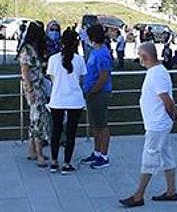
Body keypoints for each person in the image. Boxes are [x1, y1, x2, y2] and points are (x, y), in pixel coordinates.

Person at [120, 42, 177, 208]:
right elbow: (167, 100)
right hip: (158, 123)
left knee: (149, 157)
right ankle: (171, 191)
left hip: (157, 125)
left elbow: (166, 100)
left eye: (139, 55)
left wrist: (173, 115)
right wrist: (174, 114)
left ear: (144, 57)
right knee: (166, 155)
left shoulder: (156, 74)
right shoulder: (157, 71)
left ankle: (138, 195)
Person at [47, 29, 87, 174]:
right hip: (75, 100)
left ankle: (53, 162)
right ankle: (67, 163)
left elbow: (52, 79)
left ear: (61, 42)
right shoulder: (79, 60)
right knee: (71, 133)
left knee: (56, 132)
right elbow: (81, 80)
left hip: (57, 99)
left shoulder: (53, 59)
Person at [19, 21, 52, 166]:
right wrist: (30, 90)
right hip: (34, 89)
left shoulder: (32, 49)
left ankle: (32, 151)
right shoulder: (27, 50)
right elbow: (25, 71)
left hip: (37, 87)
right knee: (38, 120)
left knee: (34, 120)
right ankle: (39, 154)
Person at [82, 24, 113, 168]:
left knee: (102, 125)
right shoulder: (95, 51)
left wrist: (92, 91)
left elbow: (103, 77)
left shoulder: (102, 54)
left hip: (99, 93)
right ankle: (97, 151)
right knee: (95, 125)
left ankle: (104, 155)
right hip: (92, 93)